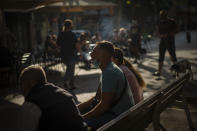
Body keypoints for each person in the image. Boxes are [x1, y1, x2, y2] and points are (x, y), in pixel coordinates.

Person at [77, 41, 135, 130]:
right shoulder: (109, 68)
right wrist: (77, 108)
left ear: (104, 56)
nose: (91, 54)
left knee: (76, 124)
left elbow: (104, 106)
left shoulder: (109, 72)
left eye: (94, 52)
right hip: (121, 113)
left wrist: (82, 118)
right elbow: (97, 97)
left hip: (119, 117)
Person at [19, 65, 86, 131]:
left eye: (21, 84)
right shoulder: (64, 94)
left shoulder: (31, 104)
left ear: (27, 84)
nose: (20, 90)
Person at [57, 19, 80, 90]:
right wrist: (80, 52)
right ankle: (69, 82)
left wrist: (60, 52)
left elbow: (58, 45)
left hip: (63, 54)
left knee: (69, 68)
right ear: (70, 26)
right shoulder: (72, 34)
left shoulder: (61, 34)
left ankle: (68, 83)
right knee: (71, 68)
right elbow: (77, 45)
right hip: (71, 54)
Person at [153, 10, 178, 76]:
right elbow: (158, 31)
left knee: (173, 56)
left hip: (170, 41)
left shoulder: (171, 21)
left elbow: (176, 29)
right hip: (163, 41)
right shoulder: (160, 23)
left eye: (162, 15)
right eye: (161, 16)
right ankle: (159, 72)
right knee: (161, 56)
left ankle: (176, 72)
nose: (161, 17)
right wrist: (159, 35)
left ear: (165, 15)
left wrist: (168, 34)